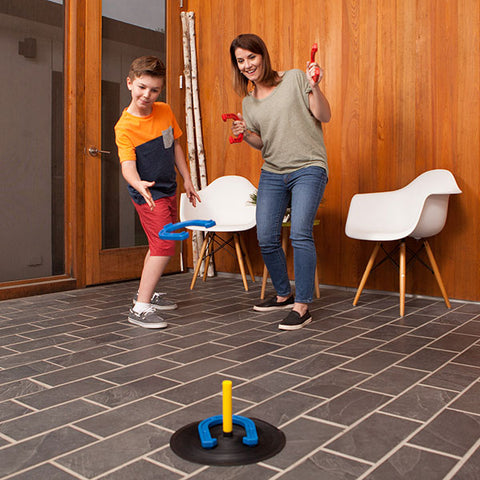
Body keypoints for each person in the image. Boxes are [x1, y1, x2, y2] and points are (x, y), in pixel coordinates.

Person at [229, 34, 331, 331]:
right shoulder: (249, 103)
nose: (247, 64)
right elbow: (265, 143)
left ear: (263, 55)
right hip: (273, 171)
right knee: (266, 237)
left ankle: (302, 306)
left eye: (252, 57)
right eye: (241, 60)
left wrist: (315, 86)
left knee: (300, 233)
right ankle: (284, 294)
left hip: (308, 167)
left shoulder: (296, 78)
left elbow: (324, 115)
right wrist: (246, 134)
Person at [115, 56, 200, 329]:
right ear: (129, 83)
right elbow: (127, 165)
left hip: (169, 188)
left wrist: (187, 178)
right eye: (141, 87)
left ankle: (148, 294)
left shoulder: (163, 110)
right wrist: (137, 183)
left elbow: (174, 146)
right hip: (149, 194)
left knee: (159, 244)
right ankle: (140, 308)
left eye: (154, 90)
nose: (146, 95)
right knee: (164, 244)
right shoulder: (124, 127)